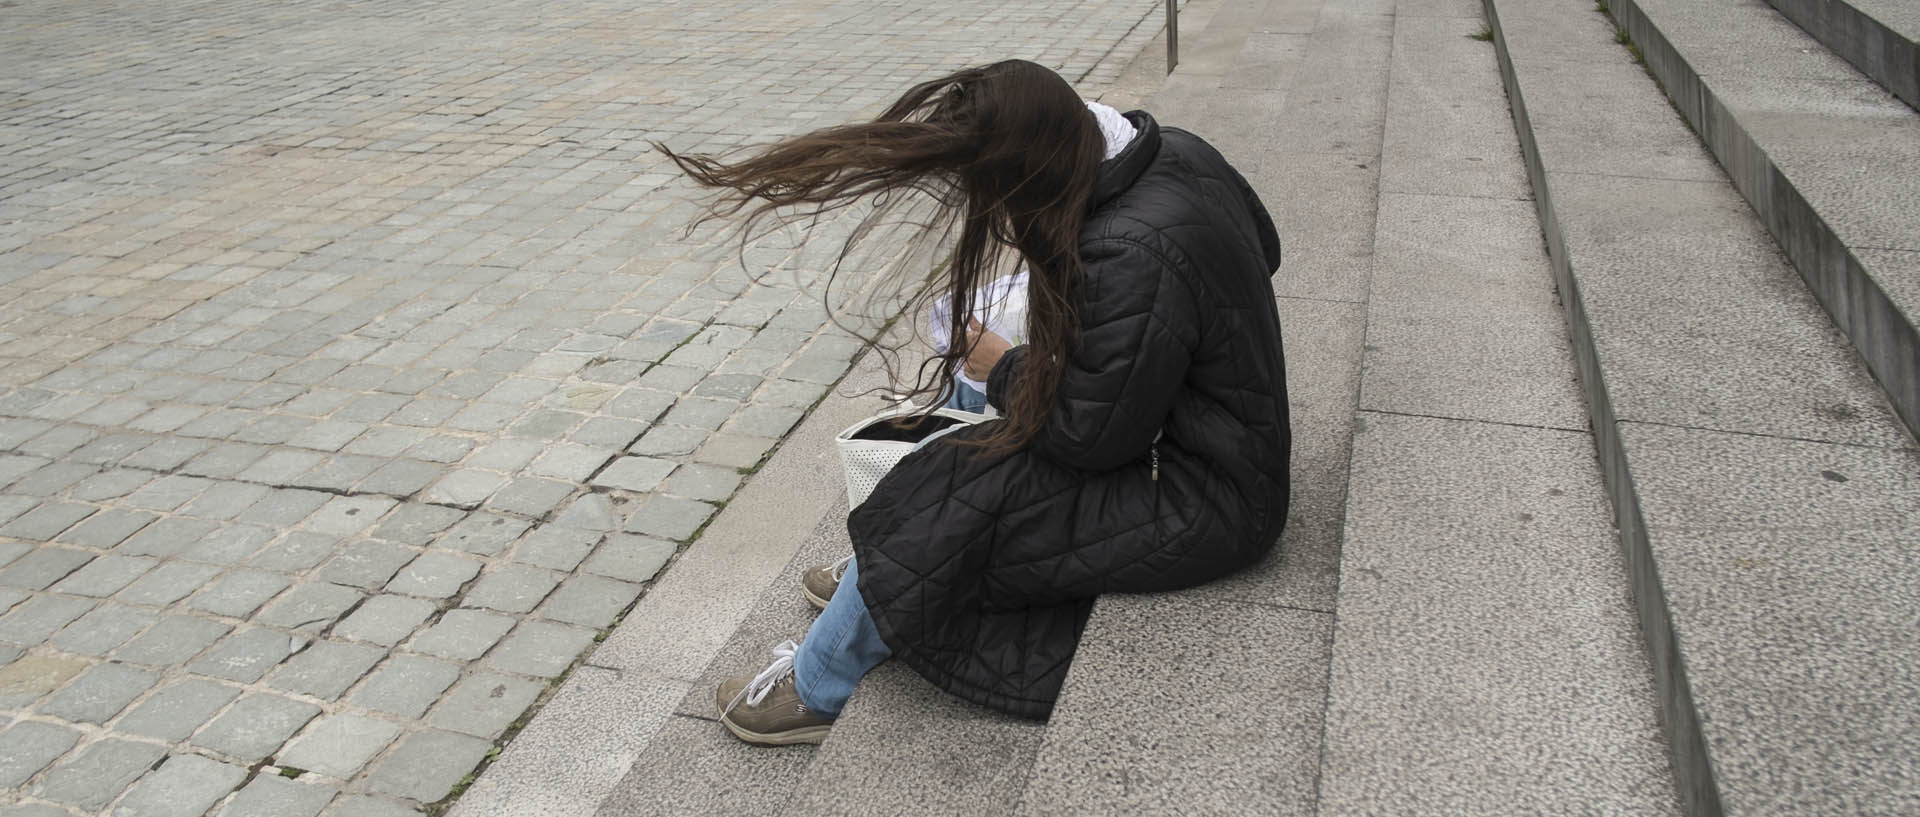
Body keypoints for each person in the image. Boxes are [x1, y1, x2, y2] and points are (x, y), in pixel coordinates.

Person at [661, 59, 1290, 745]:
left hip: (1206, 500)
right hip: (1193, 445)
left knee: (953, 482)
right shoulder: (1170, 150)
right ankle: (882, 568)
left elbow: (1088, 437)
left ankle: (818, 683)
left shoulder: (1129, 249)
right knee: (967, 426)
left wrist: (1003, 367)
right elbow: (1266, 243)